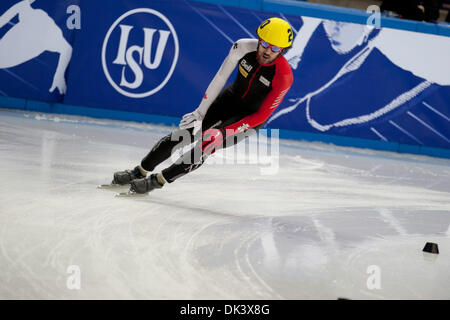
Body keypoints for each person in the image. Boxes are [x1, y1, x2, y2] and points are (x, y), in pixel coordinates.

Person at [109, 17, 294, 194]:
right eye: (265, 44)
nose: (267, 51)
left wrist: (222, 133)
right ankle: (139, 171)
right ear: (259, 39)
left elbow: (262, 115)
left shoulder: (284, 76)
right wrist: (200, 112)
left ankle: (155, 182)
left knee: (206, 145)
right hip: (229, 99)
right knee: (184, 134)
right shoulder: (243, 47)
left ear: (283, 50)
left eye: (275, 48)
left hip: (247, 118)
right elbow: (221, 77)